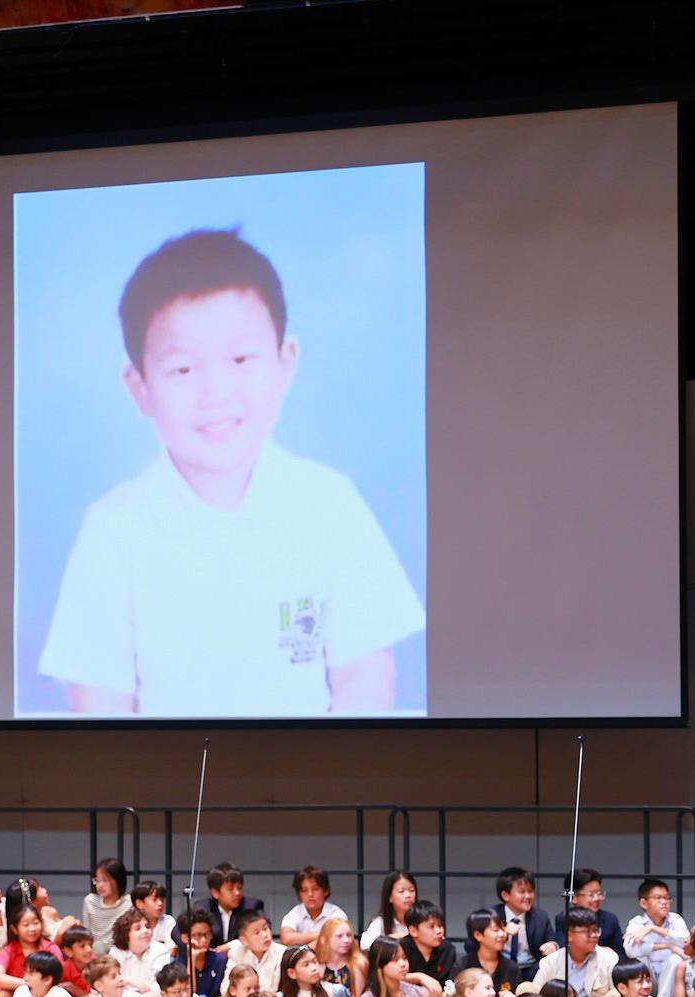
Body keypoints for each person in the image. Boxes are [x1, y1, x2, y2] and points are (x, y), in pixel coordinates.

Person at [37, 226, 425, 717]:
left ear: (285, 362)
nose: (215, 392)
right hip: (167, 789)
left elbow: (364, 676)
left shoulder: (330, 505)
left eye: (241, 359)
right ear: (138, 386)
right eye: (182, 369)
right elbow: (100, 703)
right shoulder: (113, 531)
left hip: (310, 785)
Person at [531, 907, 619, 997]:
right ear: (569, 935)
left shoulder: (609, 958)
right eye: (588, 932)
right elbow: (535, 990)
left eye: (596, 931)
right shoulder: (551, 961)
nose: (594, 936)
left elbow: (616, 992)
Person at [621, 877, 688, 997]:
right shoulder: (637, 923)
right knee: (639, 960)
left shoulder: (675, 919)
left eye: (667, 898)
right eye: (658, 898)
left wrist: (653, 929)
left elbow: (685, 942)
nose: (664, 902)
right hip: (648, 974)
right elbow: (631, 951)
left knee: (675, 959)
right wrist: (668, 946)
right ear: (644, 903)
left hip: (670, 977)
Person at [487, 867, 556, 966]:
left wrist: (553, 945)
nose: (528, 896)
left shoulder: (540, 916)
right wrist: (502, 933)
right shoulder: (491, 915)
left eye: (531, 891)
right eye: (522, 892)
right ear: (505, 895)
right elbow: (470, 945)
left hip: (531, 968)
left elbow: (554, 940)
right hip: (500, 967)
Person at [398, 900, 459, 997]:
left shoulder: (447, 949)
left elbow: (450, 984)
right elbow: (389, 978)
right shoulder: (400, 948)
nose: (439, 931)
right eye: (431, 927)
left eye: (440, 925)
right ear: (413, 931)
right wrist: (419, 977)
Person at [454, 910, 524, 997]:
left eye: (503, 929)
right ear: (478, 935)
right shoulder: (462, 966)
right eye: (495, 930)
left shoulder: (511, 968)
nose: (502, 934)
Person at [278, 865, 347, 946]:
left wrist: (303, 941)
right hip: (302, 958)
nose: (310, 894)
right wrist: (324, 936)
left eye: (315, 889)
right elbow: (286, 938)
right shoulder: (295, 913)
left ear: (326, 891)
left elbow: (338, 938)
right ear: (299, 894)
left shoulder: (336, 913)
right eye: (304, 890)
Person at [223, 909, 283, 992]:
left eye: (265, 928)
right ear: (244, 940)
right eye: (257, 933)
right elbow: (226, 988)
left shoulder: (282, 953)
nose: (265, 935)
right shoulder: (236, 954)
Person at [80, 857, 129, 954]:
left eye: (105, 880)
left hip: (120, 950)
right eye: (97, 880)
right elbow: (87, 932)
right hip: (95, 951)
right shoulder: (90, 901)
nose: (100, 885)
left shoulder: (128, 902)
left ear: (117, 880)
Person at [567, 869, 625, 952]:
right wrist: (600, 952)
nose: (597, 898)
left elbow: (621, 954)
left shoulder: (610, 919)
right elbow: (564, 949)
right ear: (574, 898)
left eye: (599, 893)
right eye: (591, 894)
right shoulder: (565, 919)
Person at [359, 870, 416, 948]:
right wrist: (393, 938)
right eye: (401, 891)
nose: (408, 895)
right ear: (390, 897)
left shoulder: (423, 919)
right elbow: (365, 944)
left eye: (412, 890)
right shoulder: (381, 921)